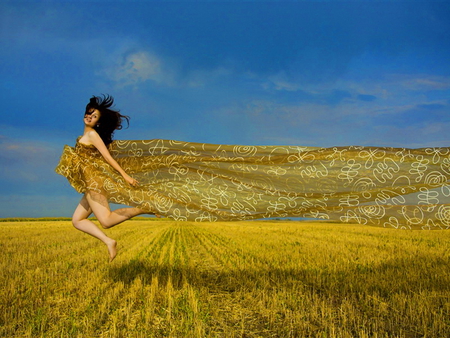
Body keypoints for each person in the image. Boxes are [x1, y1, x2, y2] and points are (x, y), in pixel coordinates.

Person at [56, 95, 158, 262]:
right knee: (77, 220)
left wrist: (125, 176)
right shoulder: (87, 134)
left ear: (98, 122)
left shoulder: (92, 135)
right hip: (90, 183)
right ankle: (109, 241)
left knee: (106, 221)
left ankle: (143, 208)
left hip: (94, 182)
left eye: (94, 116)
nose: (89, 116)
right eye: (88, 113)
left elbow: (108, 158)